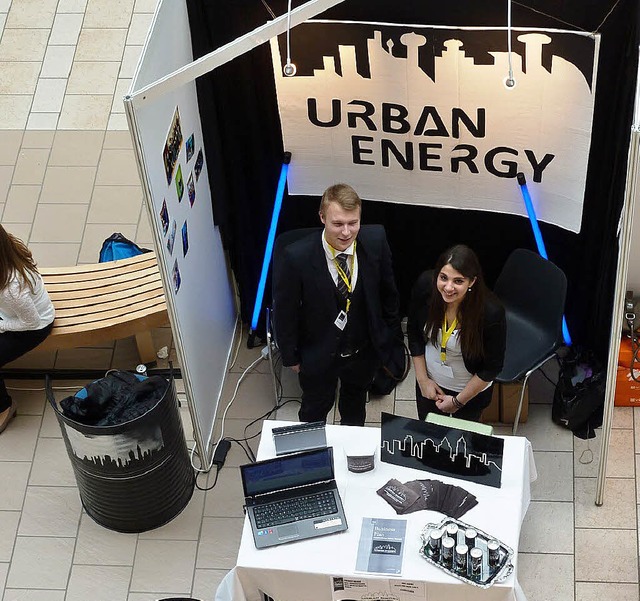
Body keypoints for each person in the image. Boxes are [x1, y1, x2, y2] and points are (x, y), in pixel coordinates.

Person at [273, 183, 400, 426]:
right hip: (318, 353)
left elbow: (389, 295)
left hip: (362, 352)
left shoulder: (375, 242)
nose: (346, 232)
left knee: (354, 409)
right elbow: (285, 312)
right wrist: (291, 357)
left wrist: (388, 338)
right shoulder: (295, 257)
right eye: (338, 224)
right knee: (314, 411)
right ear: (322, 217)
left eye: (353, 223)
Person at [407, 244, 506, 422]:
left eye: (458, 281)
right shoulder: (425, 287)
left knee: (462, 443)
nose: (448, 287)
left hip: (468, 393)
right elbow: (414, 334)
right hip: (430, 385)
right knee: (428, 436)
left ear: (472, 282)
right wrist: (423, 381)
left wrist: (458, 402)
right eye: (443, 278)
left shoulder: (491, 312)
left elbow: (492, 368)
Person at [0, 225, 55, 433]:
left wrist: (1, 326)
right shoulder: (6, 249)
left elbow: (30, 323)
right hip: (9, 312)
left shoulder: (11, 289)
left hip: (33, 326)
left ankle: (4, 406)